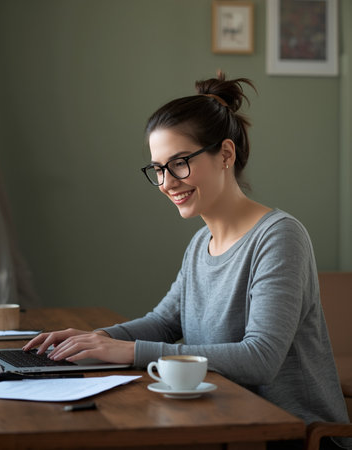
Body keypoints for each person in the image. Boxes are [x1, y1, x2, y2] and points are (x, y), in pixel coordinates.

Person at [24, 72, 350, 449]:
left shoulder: (279, 236)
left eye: (179, 163)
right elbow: (165, 322)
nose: (166, 182)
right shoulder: (201, 243)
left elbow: (261, 358)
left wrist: (129, 352)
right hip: (221, 422)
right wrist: (96, 340)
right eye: (159, 169)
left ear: (226, 154)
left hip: (294, 437)